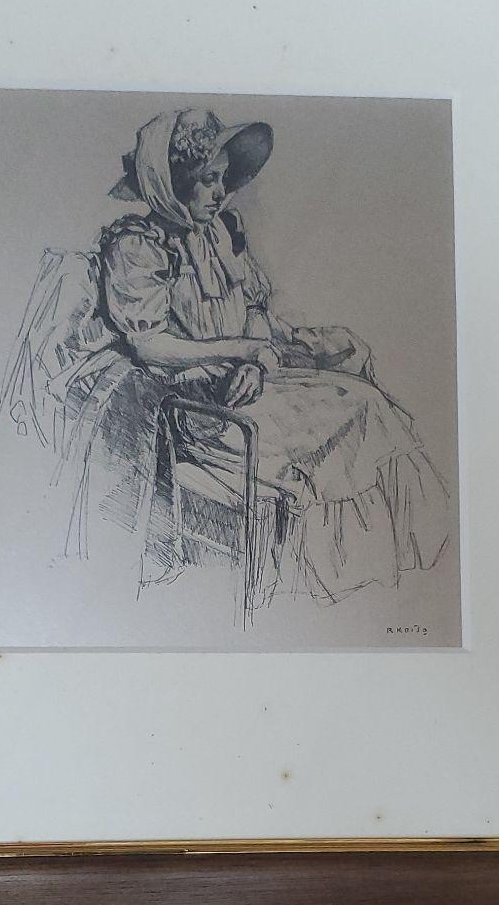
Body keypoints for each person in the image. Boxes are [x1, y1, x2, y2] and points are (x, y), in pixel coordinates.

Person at [89, 108, 452, 603]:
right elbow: (148, 344)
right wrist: (242, 352)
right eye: (208, 180)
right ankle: (338, 587)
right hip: (197, 405)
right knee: (350, 414)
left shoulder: (221, 232)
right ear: (174, 184)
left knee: (361, 391)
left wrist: (256, 362)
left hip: (245, 381)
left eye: (223, 179)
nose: (220, 192)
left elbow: (254, 313)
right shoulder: (138, 245)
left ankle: (397, 568)